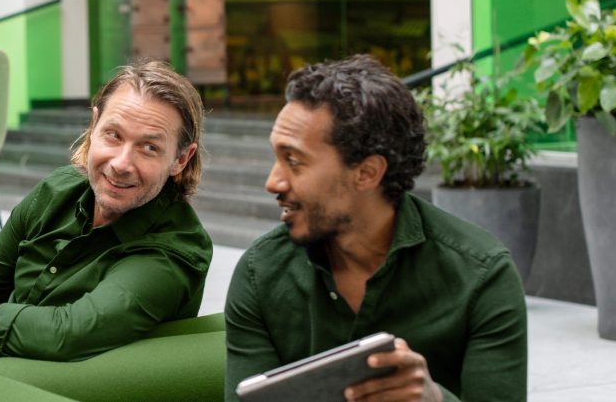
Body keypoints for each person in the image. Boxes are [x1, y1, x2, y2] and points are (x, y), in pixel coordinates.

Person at [224, 55, 527, 402]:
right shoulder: (260, 273)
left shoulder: (482, 275)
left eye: (293, 160)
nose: (273, 181)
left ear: (367, 173)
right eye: (277, 158)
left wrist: (433, 398)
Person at [0, 61, 213, 362]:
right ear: (94, 126)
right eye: (113, 135)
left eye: (149, 147)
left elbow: (70, 333)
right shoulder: (57, 191)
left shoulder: (176, 249)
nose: (121, 163)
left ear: (180, 160)